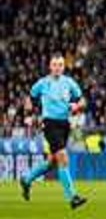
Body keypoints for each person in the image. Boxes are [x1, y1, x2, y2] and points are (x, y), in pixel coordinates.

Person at [19, 55, 87, 209]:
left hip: (64, 125)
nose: (57, 67)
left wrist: (77, 106)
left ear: (64, 67)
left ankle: (27, 179)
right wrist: (28, 115)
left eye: (60, 65)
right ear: (50, 67)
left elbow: (82, 100)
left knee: (52, 162)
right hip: (49, 123)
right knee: (63, 158)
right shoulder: (42, 83)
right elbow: (30, 98)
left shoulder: (69, 83)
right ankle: (72, 197)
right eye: (55, 65)